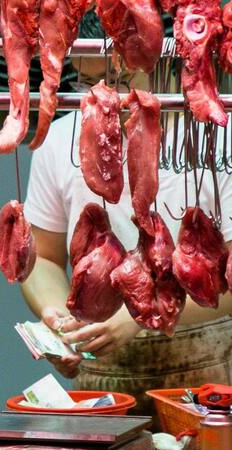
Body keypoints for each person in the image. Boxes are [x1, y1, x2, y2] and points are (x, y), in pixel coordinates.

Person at [20, 10, 232, 419]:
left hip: (210, 376)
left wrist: (143, 317)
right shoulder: (59, 141)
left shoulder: (218, 138)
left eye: (118, 80)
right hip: (101, 386)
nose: (104, 96)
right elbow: (41, 257)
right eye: (84, 80)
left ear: (158, 59)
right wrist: (56, 317)